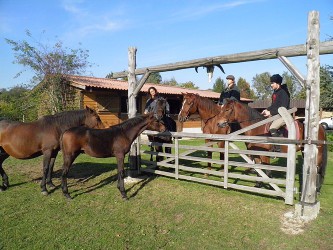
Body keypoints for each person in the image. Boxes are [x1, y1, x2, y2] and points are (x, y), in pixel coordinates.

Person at [261, 74, 290, 152]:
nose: (271, 85)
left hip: (284, 115)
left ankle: (278, 148)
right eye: (271, 83)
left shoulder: (284, 93)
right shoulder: (275, 93)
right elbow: (274, 105)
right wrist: (266, 109)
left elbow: (283, 107)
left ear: (278, 83)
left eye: (272, 83)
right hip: (277, 114)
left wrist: (270, 112)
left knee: (272, 128)